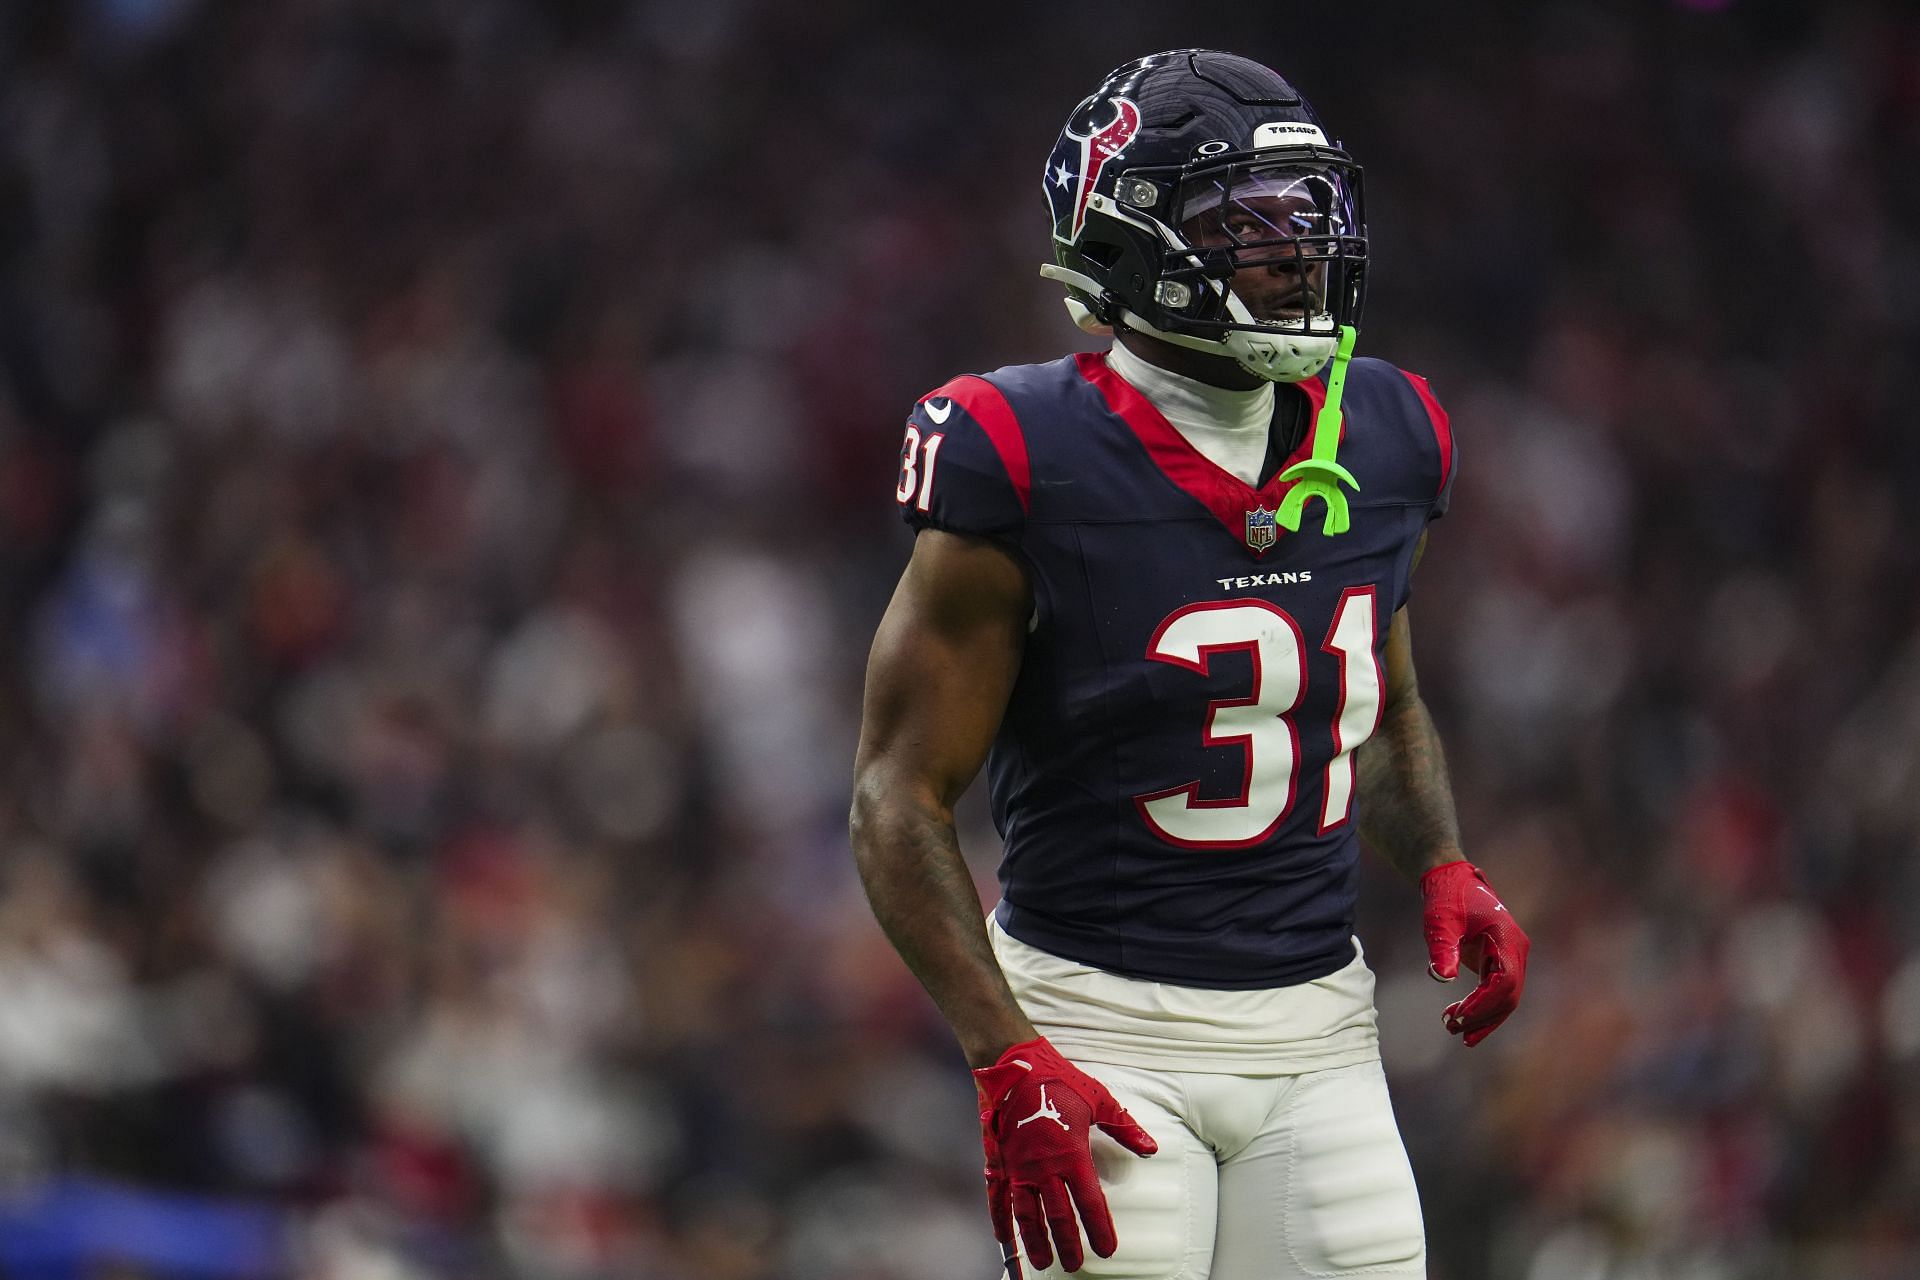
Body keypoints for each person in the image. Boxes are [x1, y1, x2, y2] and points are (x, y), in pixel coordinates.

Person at [849, 49, 1531, 1280]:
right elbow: (894, 795)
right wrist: (1004, 1049)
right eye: (1242, 220)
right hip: (1099, 1029)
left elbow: (1379, 702)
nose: (1292, 250)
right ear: (1123, 245)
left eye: (1305, 214)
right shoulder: (1017, 445)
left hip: (1322, 1030)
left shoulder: (1386, 428)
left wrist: (1439, 856)